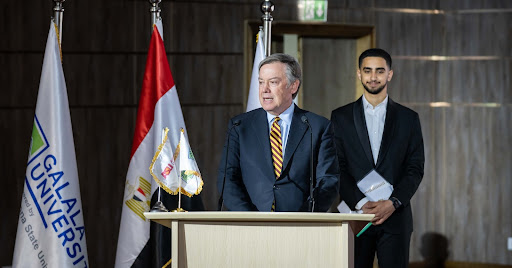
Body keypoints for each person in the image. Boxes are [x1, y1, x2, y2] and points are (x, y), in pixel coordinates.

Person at [330, 48, 425, 267]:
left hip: (396, 217)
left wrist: (393, 202)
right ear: (359, 74)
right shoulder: (340, 117)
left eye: (380, 71)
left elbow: (415, 168)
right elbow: (337, 166)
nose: (373, 77)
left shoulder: (408, 118)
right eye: (368, 70)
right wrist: (361, 203)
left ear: (389, 74)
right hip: (355, 216)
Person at [217, 53, 339, 212]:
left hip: (301, 227)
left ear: (293, 86)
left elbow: (328, 181)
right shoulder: (240, 126)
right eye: (261, 82)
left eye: (273, 82)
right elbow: (228, 179)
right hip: (251, 226)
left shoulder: (317, 127)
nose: (264, 89)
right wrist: (249, 219)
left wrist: (305, 218)